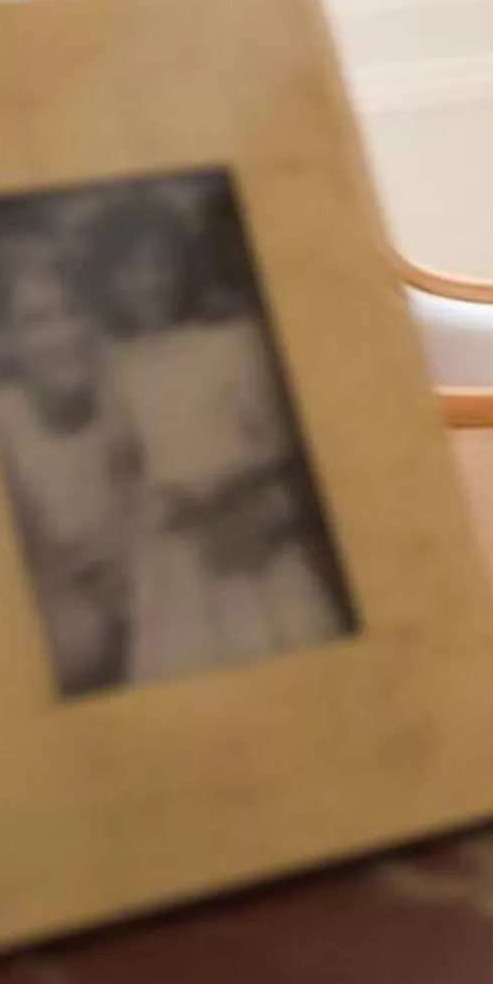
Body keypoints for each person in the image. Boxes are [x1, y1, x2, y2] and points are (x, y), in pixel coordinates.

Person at [91, 191, 353, 681]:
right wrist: (149, 510)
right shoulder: (118, 367)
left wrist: (223, 484)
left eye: (159, 265)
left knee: (275, 643)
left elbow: (277, 440)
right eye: (131, 270)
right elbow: (124, 463)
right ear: (110, 282)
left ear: (180, 269)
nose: (149, 282)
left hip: (241, 517)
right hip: (172, 538)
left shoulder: (230, 342)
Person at [0, 235, 144, 697]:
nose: (65, 333)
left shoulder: (126, 396)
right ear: (2, 340)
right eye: (38, 321)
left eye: (72, 311)